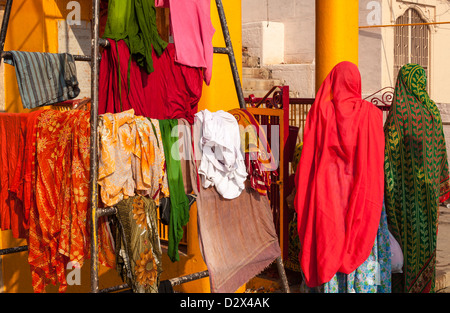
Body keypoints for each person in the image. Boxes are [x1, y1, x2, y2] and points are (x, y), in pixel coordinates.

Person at [294, 61, 391, 293]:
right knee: (363, 245)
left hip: (328, 197)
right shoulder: (372, 115)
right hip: (363, 197)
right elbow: (377, 162)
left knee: (328, 244)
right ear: (356, 83)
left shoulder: (322, 112)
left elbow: (307, 159)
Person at [384, 63, 450, 293]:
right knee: (426, 242)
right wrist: (441, 185)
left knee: (404, 245)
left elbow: (387, 154)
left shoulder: (400, 111)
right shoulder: (432, 111)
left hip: (402, 197)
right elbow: (441, 152)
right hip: (428, 195)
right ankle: (424, 287)